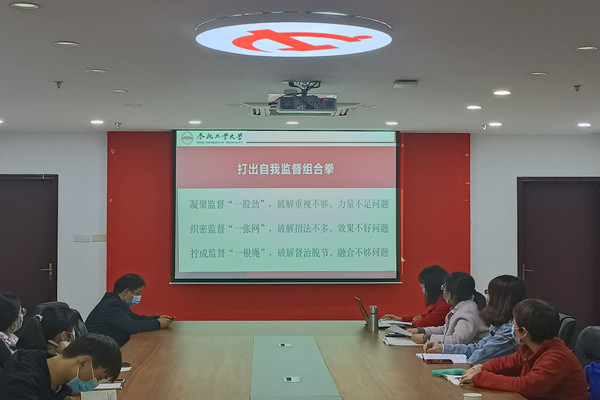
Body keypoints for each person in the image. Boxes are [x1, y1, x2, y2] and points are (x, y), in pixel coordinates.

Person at [460, 299, 588, 400]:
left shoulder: (556, 357)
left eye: (513, 322)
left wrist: (480, 377)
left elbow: (526, 386)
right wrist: (482, 367)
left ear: (524, 332)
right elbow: (506, 362)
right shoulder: (531, 348)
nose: (511, 324)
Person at [423, 275, 526, 364]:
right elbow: (477, 347)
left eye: (488, 293)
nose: (487, 297)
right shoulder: (499, 326)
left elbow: (476, 358)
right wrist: (443, 349)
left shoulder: (509, 331)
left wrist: (427, 337)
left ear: (497, 299)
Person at [0, 333, 122, 400]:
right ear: (84, 363)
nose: (95, 384)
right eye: (98, 378)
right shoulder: (21, 383)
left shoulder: (59, 382)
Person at [86, 274, 173, 346]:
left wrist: (157, 318)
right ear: (126, 292)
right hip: (100, 348)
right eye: (138, 293)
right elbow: (131, 326)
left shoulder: (117, 301)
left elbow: (135, 318)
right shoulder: (111, 306)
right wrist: (158, 323)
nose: (139, 297)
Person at [408, 272, 488, 344]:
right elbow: (445, 329)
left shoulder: (468, 311)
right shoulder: (462, 307)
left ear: (449, 294)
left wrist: (426, 338)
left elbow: (456, 340)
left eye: (444, 288)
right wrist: (422, 331)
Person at [382, 265, 450, 327]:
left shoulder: (446, 303)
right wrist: (401, 319)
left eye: (422, 283)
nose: (421, 286)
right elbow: (430, 316)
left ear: (432, 285)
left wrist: (416, 322)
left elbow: (426, 323)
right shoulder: (441, 300)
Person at [0, 291, 24, 369]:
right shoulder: (3, 343)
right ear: (14, 319)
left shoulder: (12, 338)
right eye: (21, 312)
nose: (22, 316)